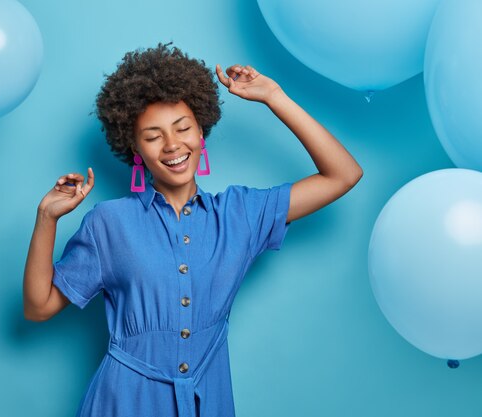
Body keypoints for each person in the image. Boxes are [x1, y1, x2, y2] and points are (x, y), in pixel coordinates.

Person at [23, 43, 362, 417]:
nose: (172, 145)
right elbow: (38, 307)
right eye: (153, 136)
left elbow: (343, 174)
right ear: (135, 148)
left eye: (183, 128)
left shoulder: (240, 213)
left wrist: (273, 97)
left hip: (208, 401)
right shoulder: (109, 222)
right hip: (124, 402)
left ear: (201, 130)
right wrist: (46, 218)